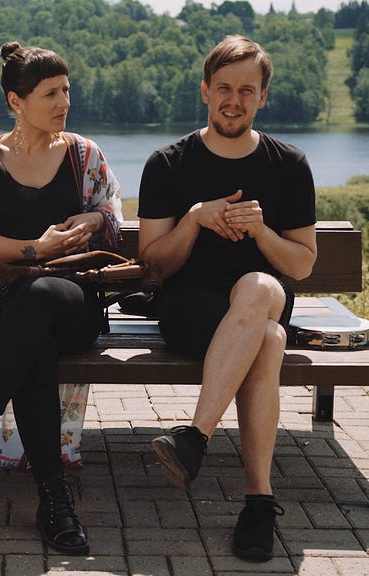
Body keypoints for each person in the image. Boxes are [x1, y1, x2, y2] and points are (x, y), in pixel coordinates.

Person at [0, 41, 123, 556]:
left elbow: (114, 215)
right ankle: (54, 501)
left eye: (66, 91)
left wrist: (93, 220)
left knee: (38, 294)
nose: (64, 103)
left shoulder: (85, 155)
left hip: (73, 307)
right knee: (31, 345)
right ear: (16, 101)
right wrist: (40, 247)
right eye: (50, 93)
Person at [137, 35, 317, 562]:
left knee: (258, 288)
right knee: (268, 339)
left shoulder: (289, 164)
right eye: (223, 88)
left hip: (261, 297)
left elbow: (302, 264)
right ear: (205, 92)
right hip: (189, 311)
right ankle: (258, 502)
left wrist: (263, 235)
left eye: (246, 90)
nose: (232, 100)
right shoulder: (168, 163)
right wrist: (194, 218)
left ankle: (194, 437)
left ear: (263, 97)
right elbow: (153, 267)